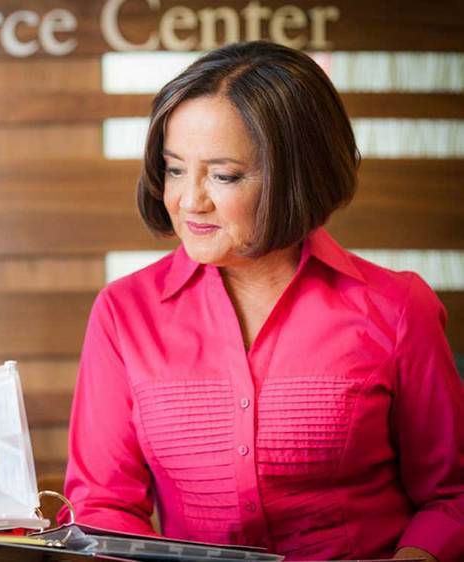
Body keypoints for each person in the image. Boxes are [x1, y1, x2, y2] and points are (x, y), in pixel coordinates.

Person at [64, 41, 463, 561]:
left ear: (297, 174)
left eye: (223, 175)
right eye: (175, 168)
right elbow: (101, 505)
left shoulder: (397, 307)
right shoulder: (125, 312)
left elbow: (451, 495)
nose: (189, 200)